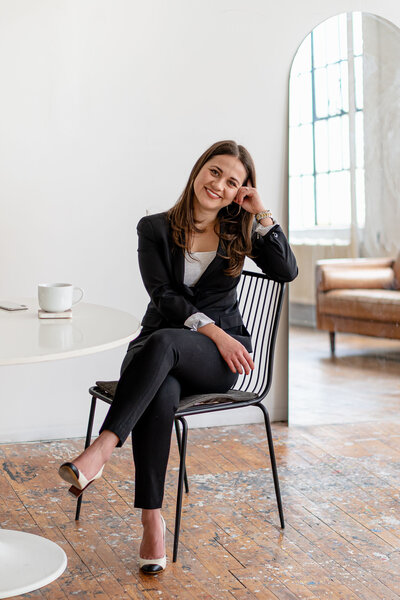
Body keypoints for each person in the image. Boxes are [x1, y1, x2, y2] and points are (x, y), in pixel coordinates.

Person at [58, 140, 298, 574]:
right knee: (162, 382)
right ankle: (152, 522)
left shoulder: (239, 230)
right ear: (197, 170)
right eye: (214, 172)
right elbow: (163, 297)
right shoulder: (153, 228)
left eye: (233, 182)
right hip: (155, 351)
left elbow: (286, 271)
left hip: (216, 361)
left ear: (239, 192)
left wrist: (260, 212)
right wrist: (211, 330)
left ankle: (101, 449)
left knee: (167, 345)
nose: (219, 185)